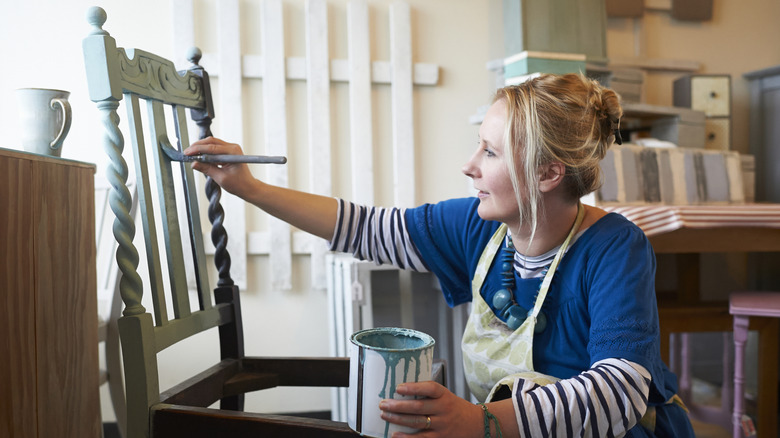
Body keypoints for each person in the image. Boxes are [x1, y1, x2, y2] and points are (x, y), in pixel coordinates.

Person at [185, 73, 695, 437]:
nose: (469, 165)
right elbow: (364, 228)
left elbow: (618, 394)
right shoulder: (478, 227)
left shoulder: (615, 248)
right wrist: (249, 188)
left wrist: (481, 422)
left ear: (547, 174)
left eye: (490, 152)